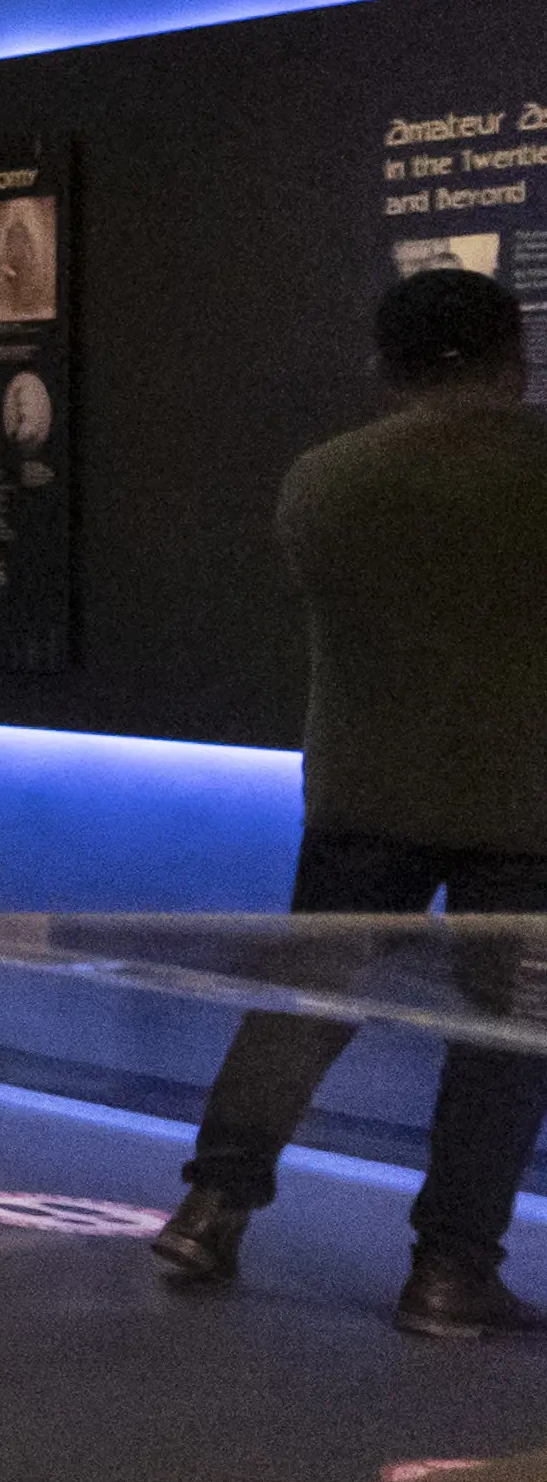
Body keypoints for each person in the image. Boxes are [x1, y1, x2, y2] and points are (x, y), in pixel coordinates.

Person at [153, 268, 547, 1335]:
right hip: (528, 805)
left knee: (305, 1000)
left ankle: (212, 1205)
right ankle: (451, 1272)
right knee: (505, 1037)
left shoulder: (323, 480)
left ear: (386, 362)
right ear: (515, 352)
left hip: (360, 789)